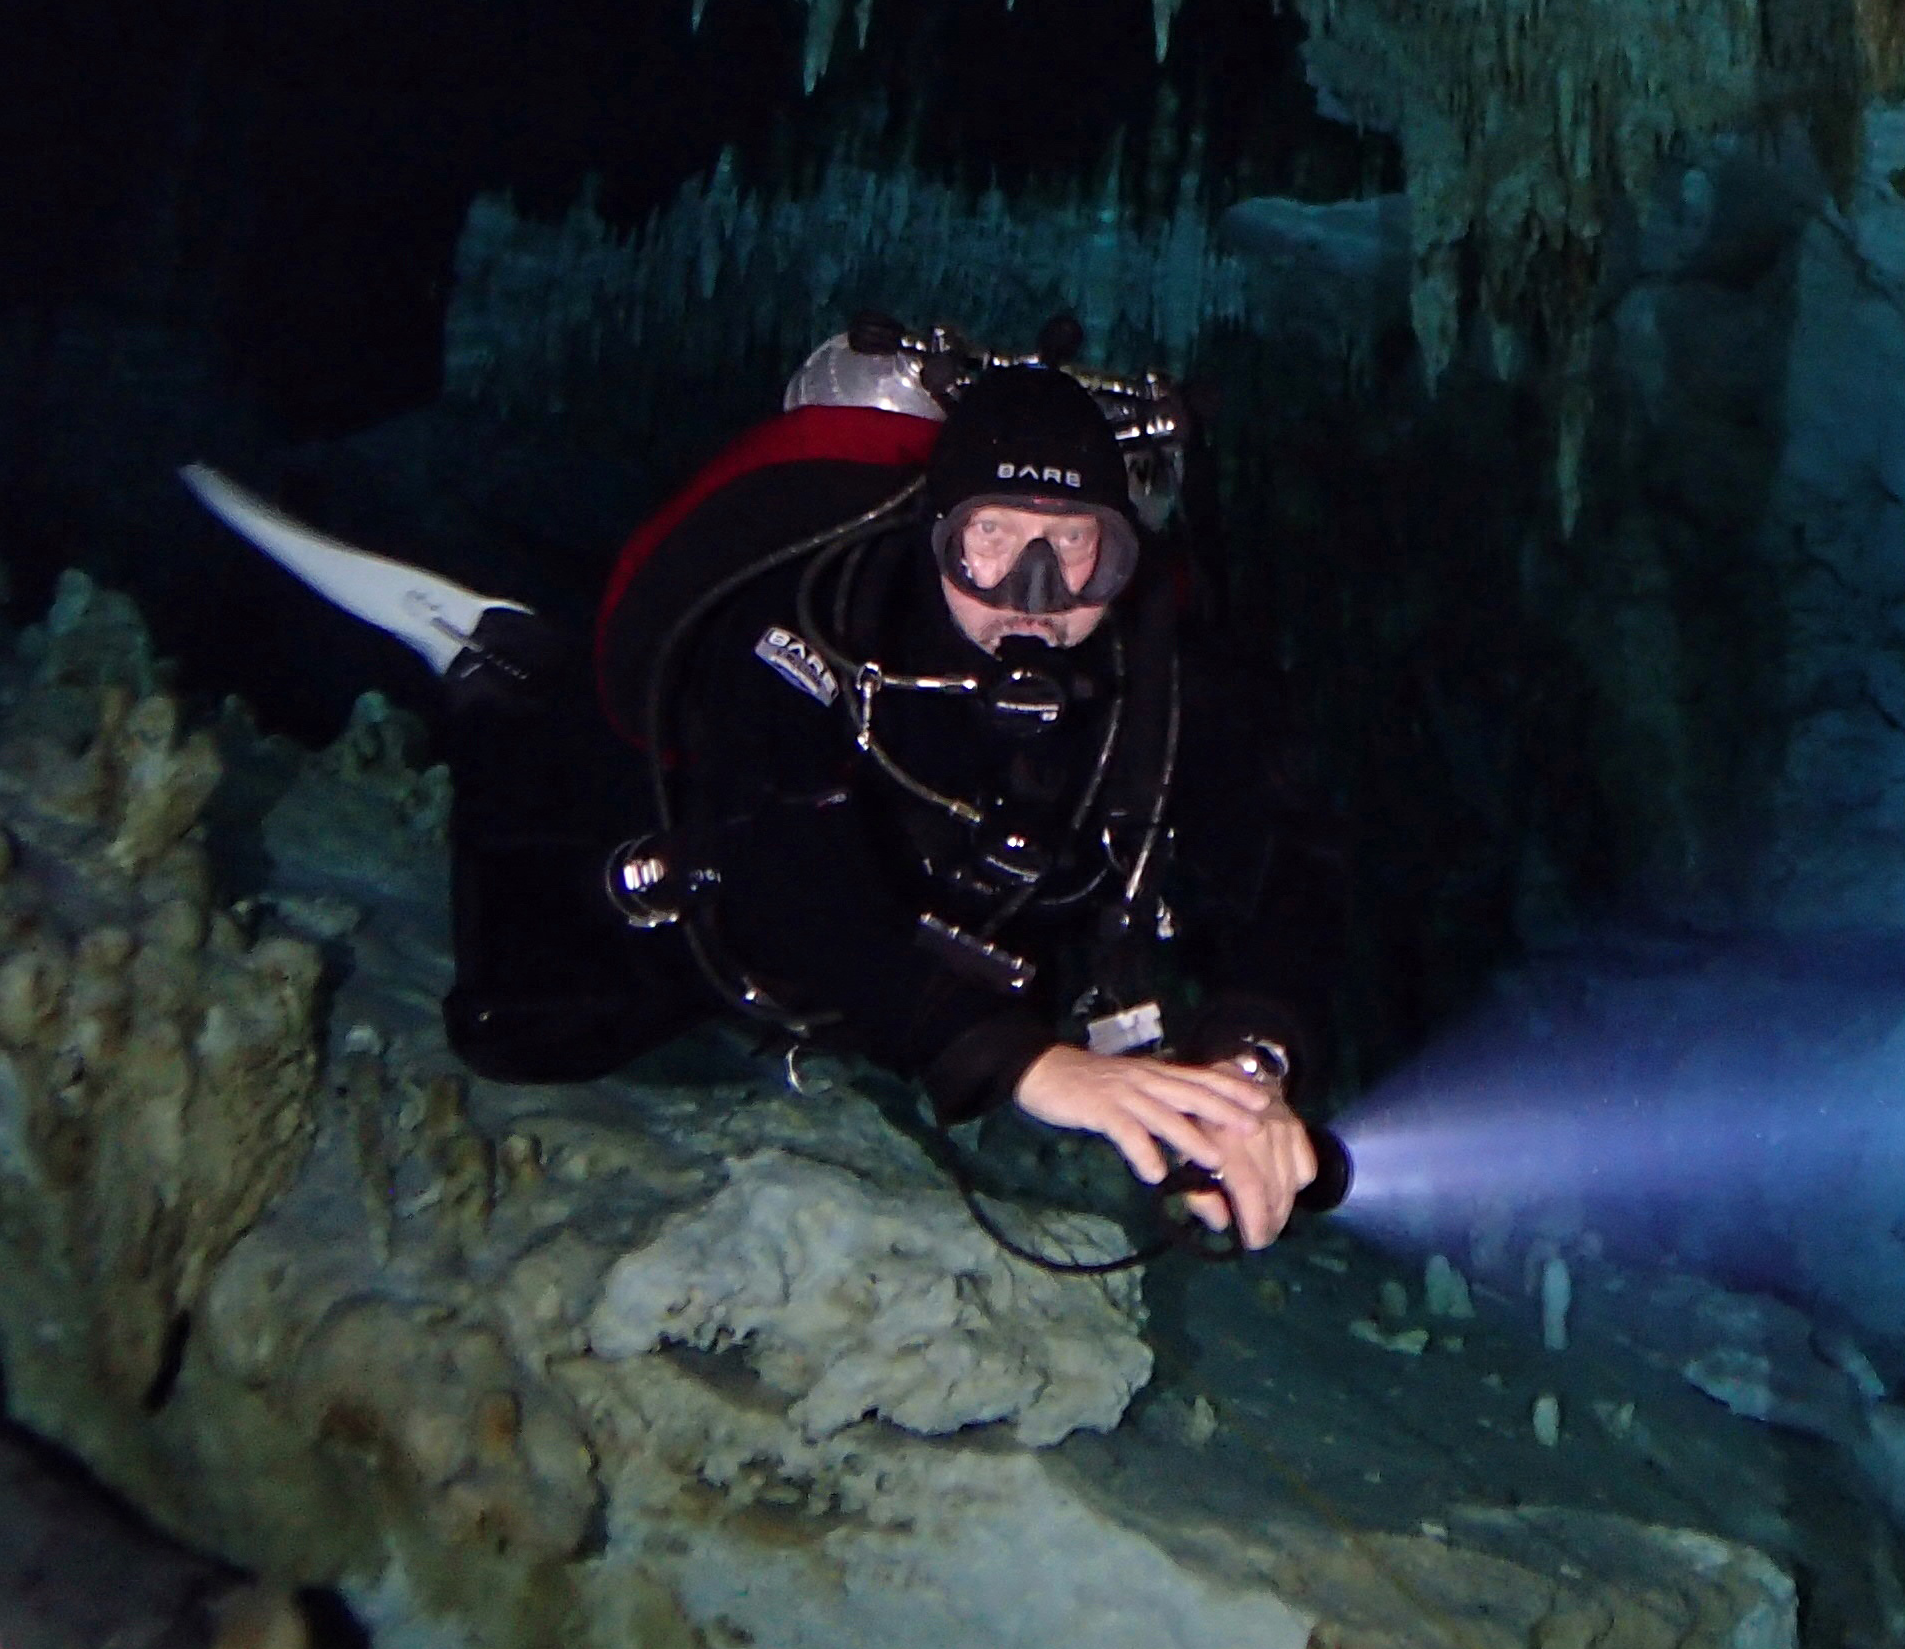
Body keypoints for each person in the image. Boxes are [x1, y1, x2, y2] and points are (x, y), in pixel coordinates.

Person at [414, 325, 1329, 1250]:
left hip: (944, 949)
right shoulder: (829, 612)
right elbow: (780, 864)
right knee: (516, 1030)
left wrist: (1251, 1060)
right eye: (993, 538)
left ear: (1122, 555)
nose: (1033, 589)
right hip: (774, 913)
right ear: (937, 537)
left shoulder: (1160, 671)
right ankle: (508, 689)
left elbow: (1279, 857)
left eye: (1073, 544)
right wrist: (1014, 1061)